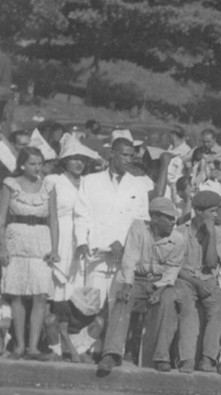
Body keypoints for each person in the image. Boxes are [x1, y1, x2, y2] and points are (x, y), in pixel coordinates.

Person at [96, 198, 188, 376]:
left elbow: (172, 270)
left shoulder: (178, 240)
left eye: (173, 218)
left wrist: (160, 290)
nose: (173, 222)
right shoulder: (138, 228)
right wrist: (127, 285)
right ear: (154, 218)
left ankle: (162, 356)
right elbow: (129, 258)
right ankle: (112, 354)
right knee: (123, 298)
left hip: (161, 283)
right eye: (169, 218)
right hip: (137, 279)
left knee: (168, 301)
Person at [74, 137, 155, 315]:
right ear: (112, 154)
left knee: (118, 311)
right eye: (124, 155)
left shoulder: (138, 184)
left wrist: (125, 245)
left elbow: (142, 221)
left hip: (124, 259)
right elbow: (82, 215)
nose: (128, 160)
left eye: (132, 156)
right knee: (91, 309)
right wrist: (82, 241)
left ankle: (116, 344)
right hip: (97, 256)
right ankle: (87, 344)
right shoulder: (90, 181)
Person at [0, 147, 58, 360]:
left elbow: (53, 219)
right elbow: (1, 219)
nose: (37, 168)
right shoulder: (10, 184)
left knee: (40, 294)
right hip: (16, 240)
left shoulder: (49, 187)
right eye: (32, 163)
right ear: (23, 164)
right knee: (16, 294)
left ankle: (33, 347)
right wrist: (2, 248)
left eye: (40, 163)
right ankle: (19, 346)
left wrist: (55, 249)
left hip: (41, 241)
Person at [47, 138, 99, 360]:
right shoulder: (54, 180)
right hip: (58, 238)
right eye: (74, 159)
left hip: (82, 241)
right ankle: (57, 344)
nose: (79, 163)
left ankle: (76, 343)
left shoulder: (89, 182)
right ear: (64, 161)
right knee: (58, 292)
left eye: (82, 159)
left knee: (78, 294)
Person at [175, 190, 221, 372]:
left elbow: (212, 263)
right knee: (188, 308)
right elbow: (176, 268)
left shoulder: (218, 234)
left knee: (218, 306)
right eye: (212, 211)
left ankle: (208, 358)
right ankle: (187, 359)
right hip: (186, 278)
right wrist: (197, 283)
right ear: (198, 211)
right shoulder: (181, 232)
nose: (215, 215)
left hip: (207, 278)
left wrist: (211, 235)